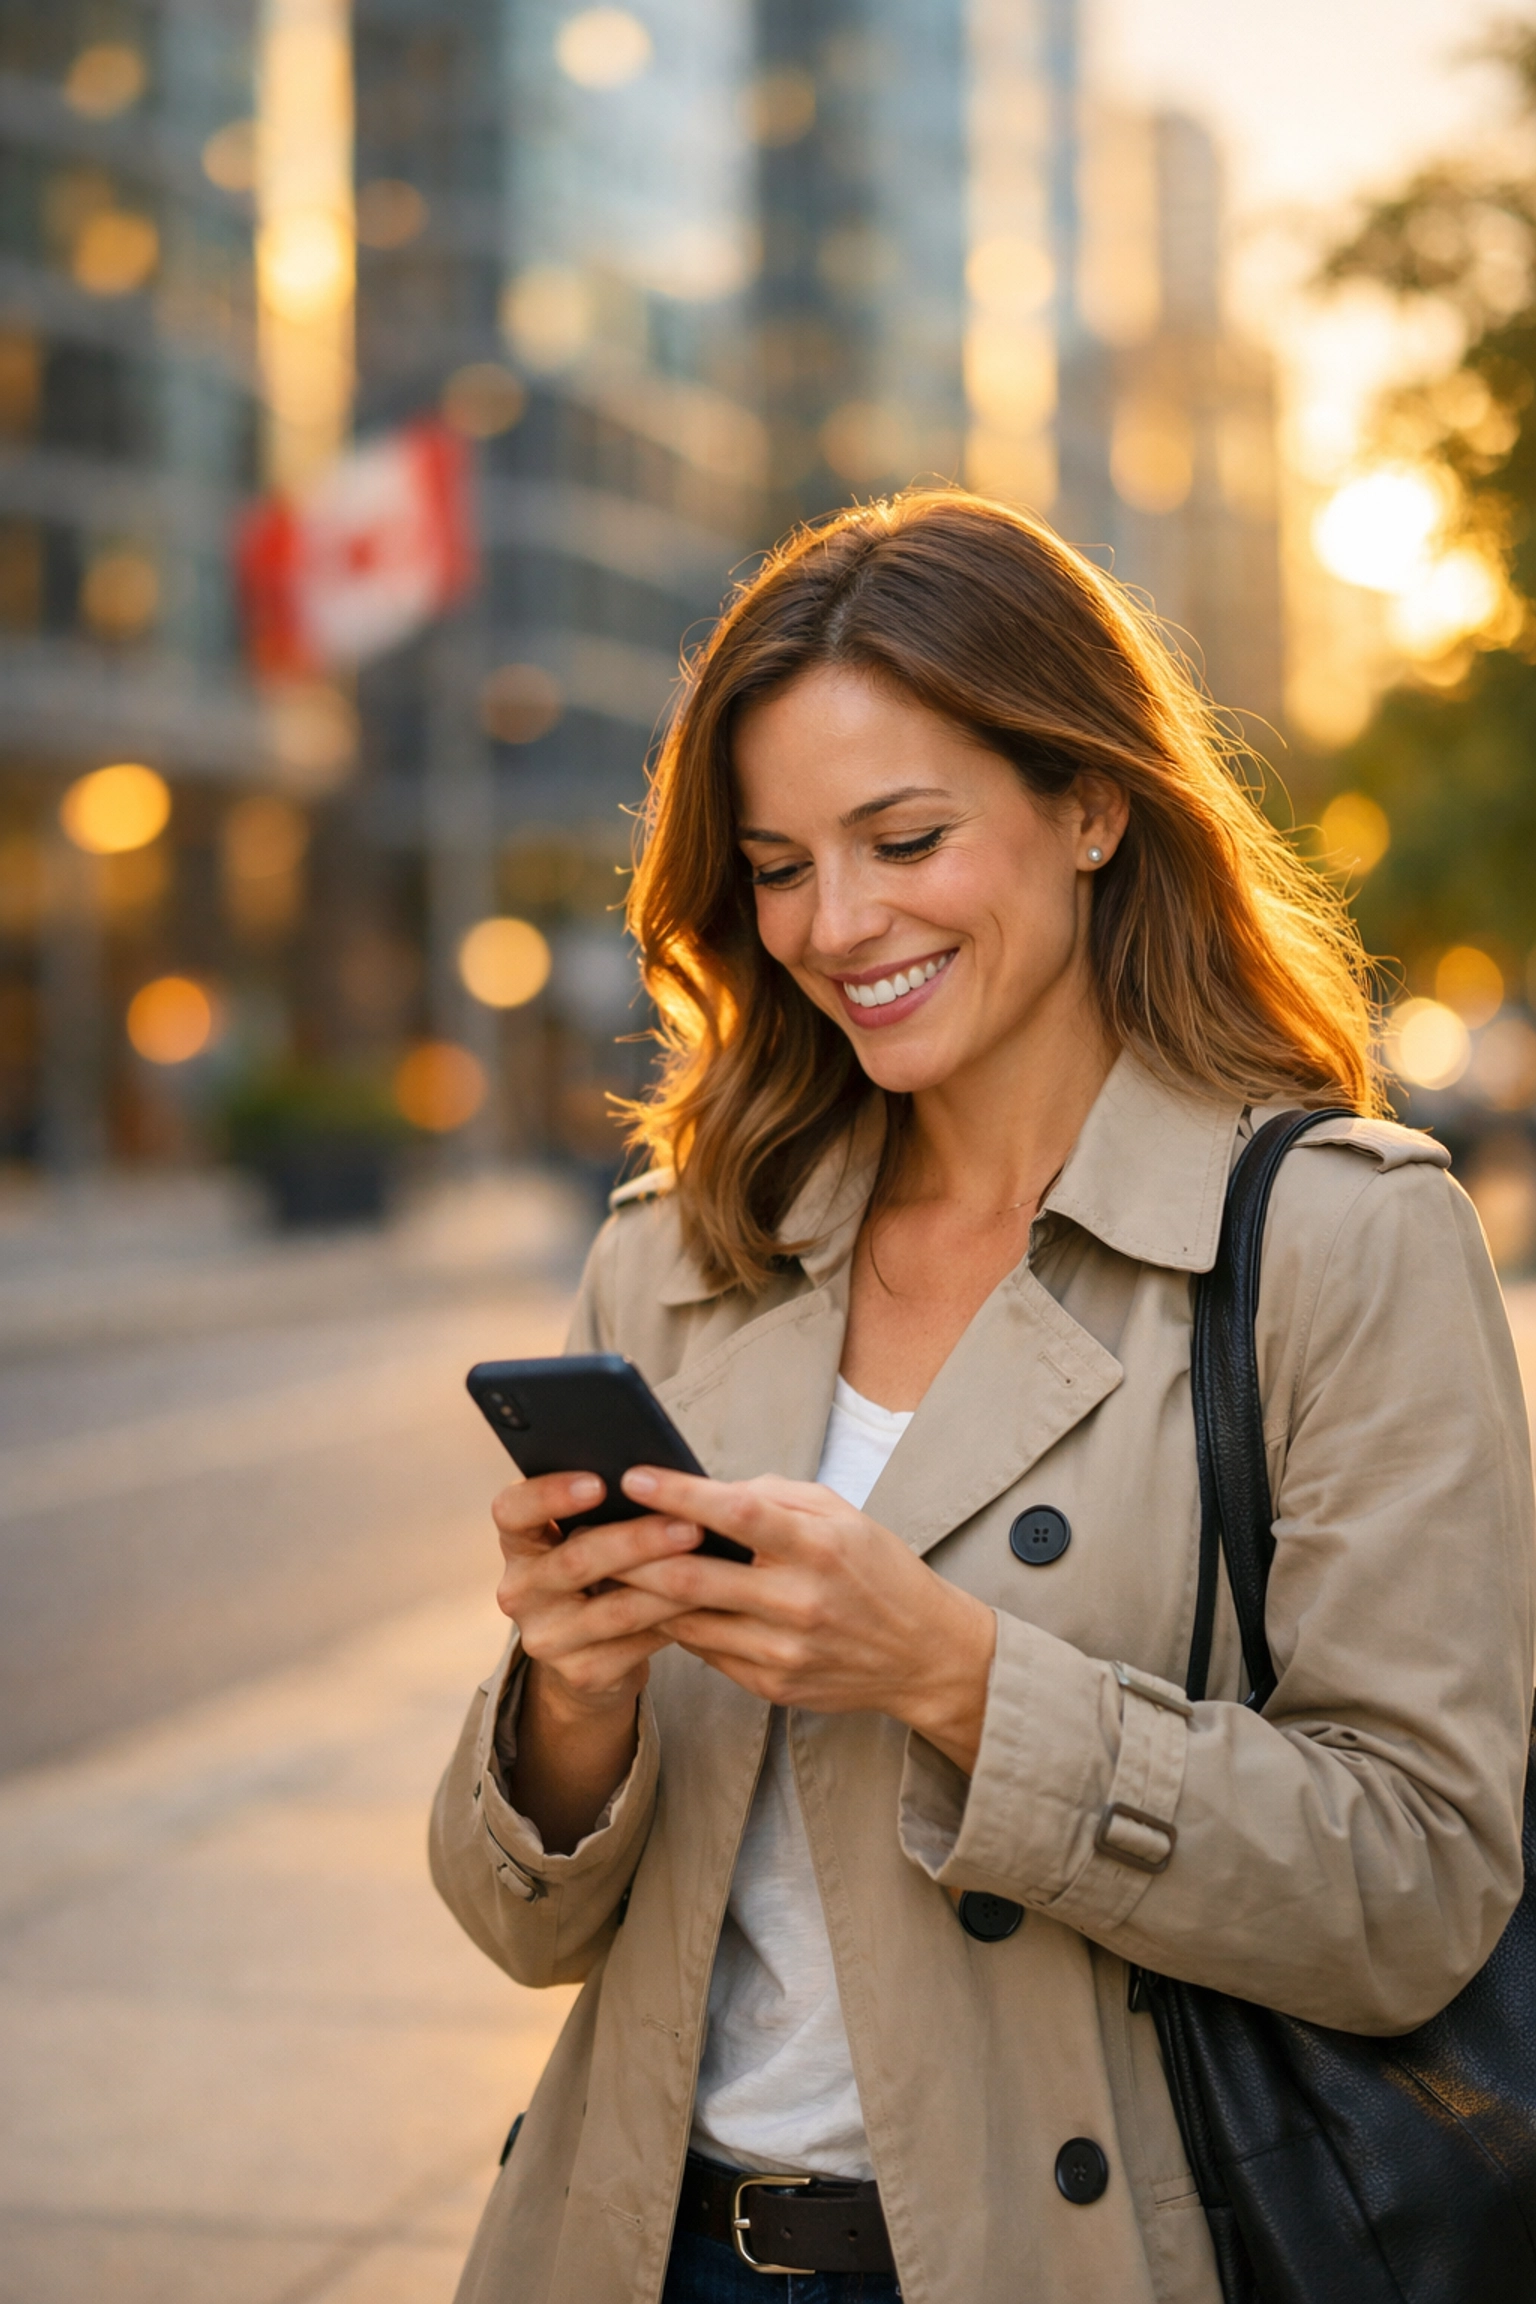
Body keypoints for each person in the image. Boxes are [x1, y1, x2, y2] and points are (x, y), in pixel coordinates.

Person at [431, 491, 1535, 2304]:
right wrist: (574, 1688)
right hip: (634, 2249)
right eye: (779, 865)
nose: (836, 922)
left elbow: (1414, 1889)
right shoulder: (686, 1247)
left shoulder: (1341, 1240)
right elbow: (522, 1927)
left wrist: (946, 1671)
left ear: (1092, 805)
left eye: (906, 836)